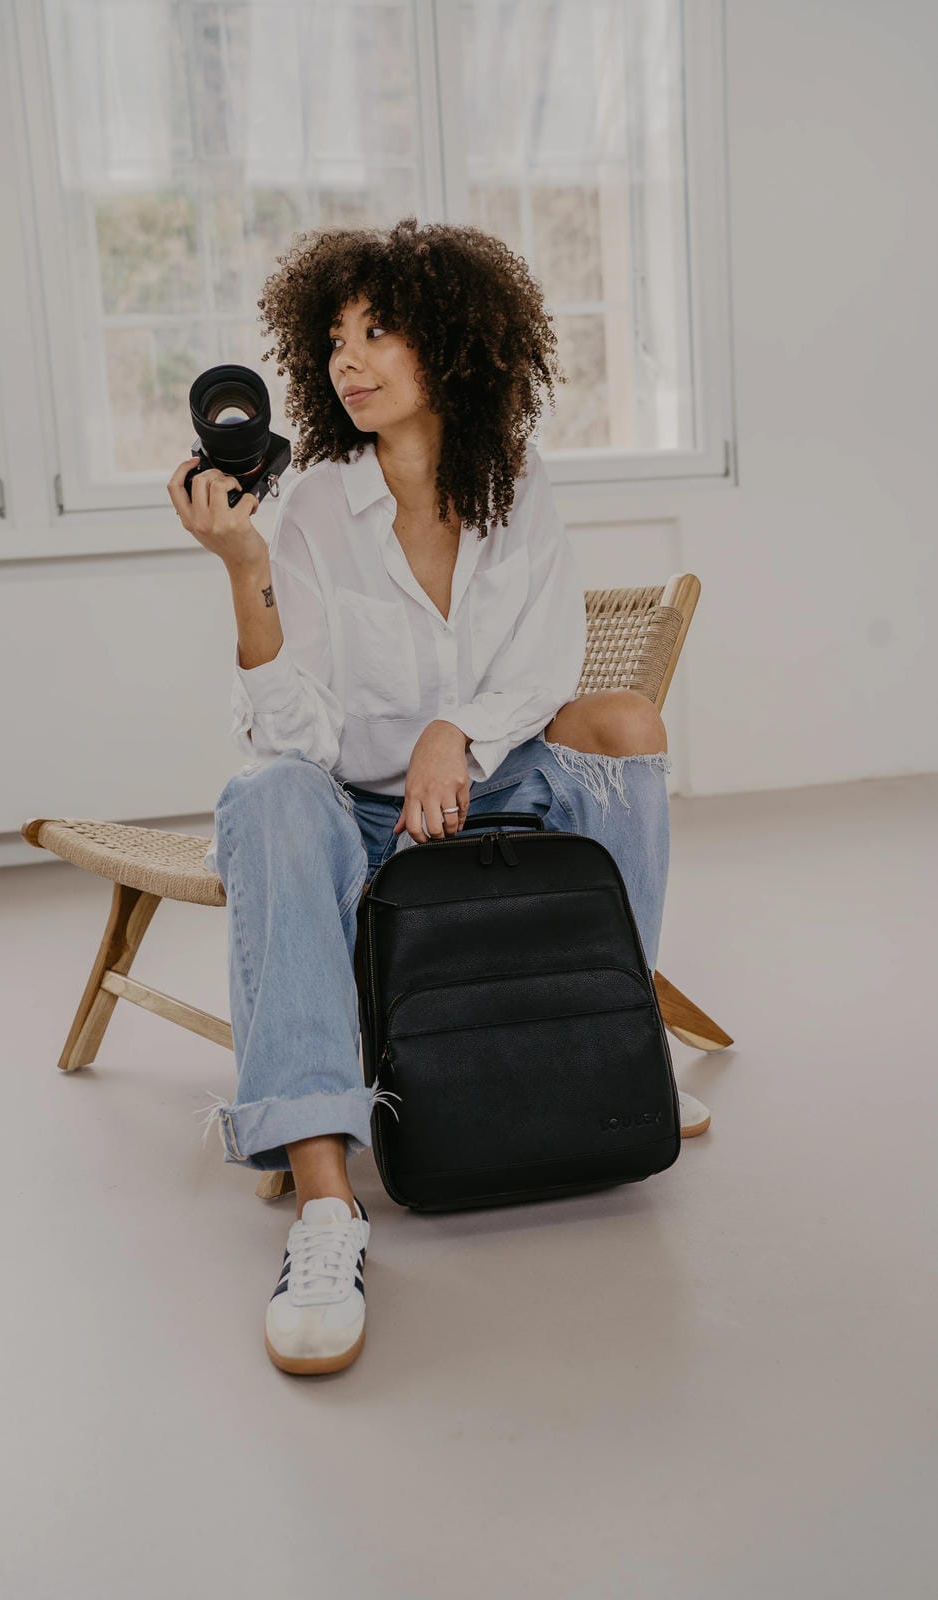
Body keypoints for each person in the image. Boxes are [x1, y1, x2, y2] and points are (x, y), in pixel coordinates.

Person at [167, 217, 707, 1377]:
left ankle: (614, 1037)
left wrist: (453, 732)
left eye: (377, 331)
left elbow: (549, 658)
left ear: (455, 347)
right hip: (357, 810)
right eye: (332, 338)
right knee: (263, 793)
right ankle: (326, 1207)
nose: (345, 360)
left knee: (624, 725)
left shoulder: (513, 480)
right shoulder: (309, 508)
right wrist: (246, 570)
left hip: (489, 776)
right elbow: (294, 732)